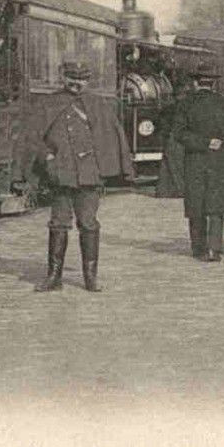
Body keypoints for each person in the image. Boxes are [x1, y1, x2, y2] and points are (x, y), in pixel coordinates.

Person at [21, 59, 134, 292]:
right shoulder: (48, 103)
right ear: (64, 77)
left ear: (88, 80)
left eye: (82, 79)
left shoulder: (99, 104)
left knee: (89, 224)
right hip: (60, 174)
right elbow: (32, 137)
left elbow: (112, 136)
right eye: (72, 78)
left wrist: (108, 166)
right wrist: (47, 157)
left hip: (89, 175)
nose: (76, 83)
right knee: (58, 223)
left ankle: (90, 278)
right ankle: (54, 277)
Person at [169, 70, 224, 262]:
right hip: (220, 161)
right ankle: (214, 249)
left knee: (196, 204)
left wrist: (203, 142)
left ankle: (197, 248)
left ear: (195, 83)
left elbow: (179, 134)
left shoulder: (185, 104)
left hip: (195, 161)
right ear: (213, 84)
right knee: (216, 206)